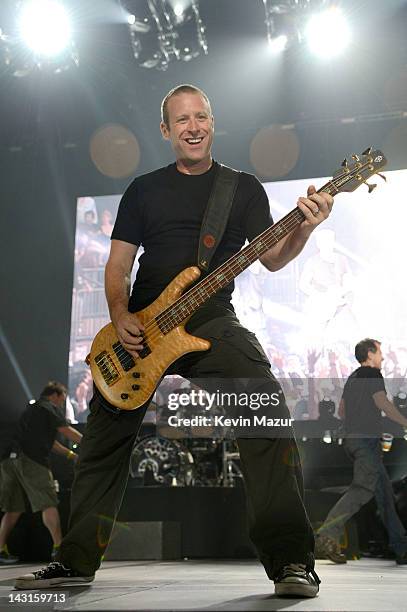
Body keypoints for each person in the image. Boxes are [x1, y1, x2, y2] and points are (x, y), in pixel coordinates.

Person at [15, 84, 334, 597]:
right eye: (182, 119)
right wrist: (120, 315)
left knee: (265, 410)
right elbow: (118, 265)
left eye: (201, 116)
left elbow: (273, 258)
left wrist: (306, 228)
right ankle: (73, 560)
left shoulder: (243, 187)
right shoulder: (143, 189)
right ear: (166, 130)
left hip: (211, 320)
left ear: (212, 122)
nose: (193, 126)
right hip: (141, 326)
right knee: (101, 442)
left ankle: (292, 561)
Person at [316, 338, 407, 564]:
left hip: (355, 441)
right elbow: (382, 402)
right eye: (379, 353)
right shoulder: (372, 375)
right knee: (362, 490)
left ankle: (402, 548)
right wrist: (404, 422)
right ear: (369, 354)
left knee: (385, 496)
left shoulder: (352, 378)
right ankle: (327, 536)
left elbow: (342, 410)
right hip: (365, 442)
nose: (383, 357)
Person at [0, 382, 82, 564]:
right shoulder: (48, 407)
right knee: (48, 503)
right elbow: (66, 430)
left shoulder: (31, 410)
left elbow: (51, 443)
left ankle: (1, 550)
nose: (62, 405)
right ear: (55, 395)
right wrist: (90, 444)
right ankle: (58, 549)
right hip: (31, 460)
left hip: (9, 461)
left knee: (12, 509)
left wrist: (71, 455)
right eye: (62, 400)